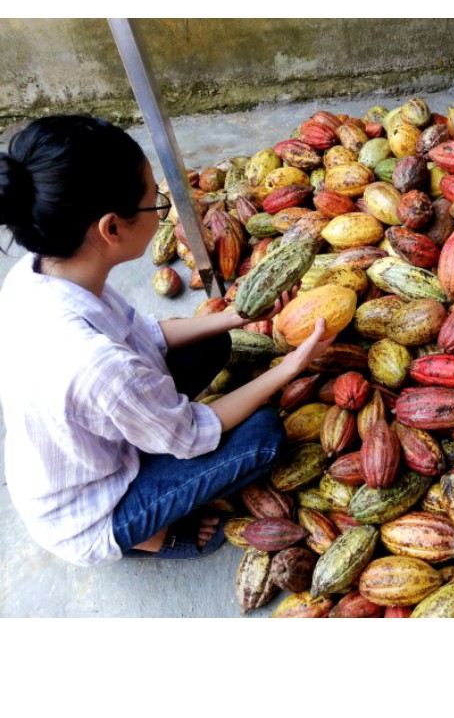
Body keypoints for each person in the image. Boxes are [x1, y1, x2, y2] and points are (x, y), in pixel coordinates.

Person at [0, 114, 334, 566]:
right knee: (264, 437)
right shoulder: (95, 363)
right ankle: (149, 535)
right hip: (91, 510)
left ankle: (152, 449)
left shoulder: (40, 273)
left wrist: (237, 315)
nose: (162, 211)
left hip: (79, 449)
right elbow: (195, 435)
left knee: (215, 343)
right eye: (153, 202)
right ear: (111, 227)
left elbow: (146, 336)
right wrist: (291, 366)